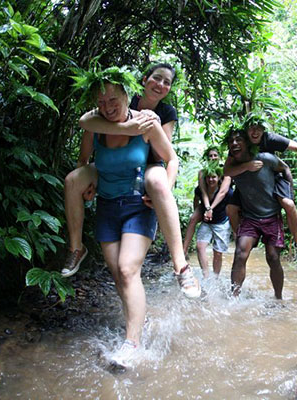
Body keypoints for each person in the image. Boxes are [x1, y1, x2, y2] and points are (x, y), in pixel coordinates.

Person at [74, 69, 200, 365]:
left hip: (146, 179)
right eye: (102, 101)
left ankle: (132, 343)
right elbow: (85, 140)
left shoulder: (157, 115)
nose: (107, 105)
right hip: (108, 201)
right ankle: (137, 320)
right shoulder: (98, 119)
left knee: (128, 268)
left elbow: (169, 156)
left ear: (126, 96)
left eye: (113, 100)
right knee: (120, 274)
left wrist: (162, 191)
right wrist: (86, 183)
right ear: (142, 83)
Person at [62, 63, 181, 277]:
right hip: (110, 164)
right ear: (144, 80)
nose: (161, 84)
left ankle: (180, 263)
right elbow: (87, 122)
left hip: (149, 164)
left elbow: (166, 152)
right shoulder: (123, 96)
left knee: (157, 183)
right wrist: (127, 127)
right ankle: (76, 248)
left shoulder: (166, 112)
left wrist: (149, 124)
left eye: (167, 82)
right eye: (157, 78)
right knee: (72, 180)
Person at [223, 113, 297, 263]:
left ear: (264, 130)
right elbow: (227, 170)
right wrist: (246, 166)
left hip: (274, 176)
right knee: (230, 209)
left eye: (259, 129)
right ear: (246, 131)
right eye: (251, 129)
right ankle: (242, 236)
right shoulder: (239, 144)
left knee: (288, 205)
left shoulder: (270, 139)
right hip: (248, 182)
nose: (255, 132)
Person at [226, 128, 290, 299]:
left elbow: (285, 168)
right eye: (231, 142)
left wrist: (288, 195)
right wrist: (246, 166)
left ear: (247, 143)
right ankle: (234, 298)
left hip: (272, 217)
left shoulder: (265, 159)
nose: (234, 144)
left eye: (238, 140)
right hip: (249, 218)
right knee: (240, 254)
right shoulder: (232, 165)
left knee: (273, 257)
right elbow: (225, 172)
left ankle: (278, 297)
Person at [182, 146, 232, 256]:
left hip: (223, 203)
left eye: (215, 155)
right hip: (206, 203)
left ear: (219, 157)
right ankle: (183, 251)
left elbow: (222, 193)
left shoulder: (226, 172)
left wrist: (211, 208)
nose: (213, 158)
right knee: (193, 219)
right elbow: (203, 192)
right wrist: (207, 208)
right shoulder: (202, 173)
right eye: (210, 156)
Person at [192, 162, 233, 278]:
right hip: (207, 223)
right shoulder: (200, 190)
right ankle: (205, 275)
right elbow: (196, 200)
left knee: (218, 253)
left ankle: (215, 277)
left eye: (213, 177)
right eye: (208, 177)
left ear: (219, 177)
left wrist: (235, 229)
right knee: (200, 246)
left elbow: (233, 209)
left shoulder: (228, 192)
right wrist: (198, 213)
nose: (211, 180)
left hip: (221, 223)